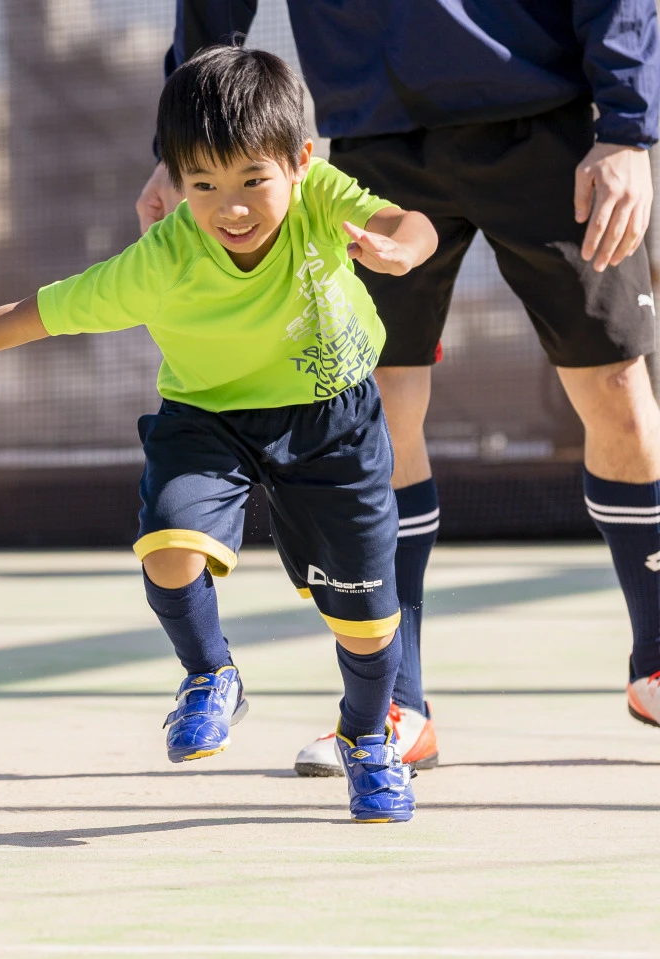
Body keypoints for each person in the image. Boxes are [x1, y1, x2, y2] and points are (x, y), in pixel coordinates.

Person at [0, 47, 437, 822]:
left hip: (333, 422)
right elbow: (30, 315)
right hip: (207, 420)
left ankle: (368, 740)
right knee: (169, 545)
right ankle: (210, 675)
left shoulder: (319, 200)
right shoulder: (164, 259)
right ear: (169, 180)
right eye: (202, 184)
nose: (229, 207)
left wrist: (403, 247)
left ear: (301, 162)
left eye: (251, 181)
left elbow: (409, 222)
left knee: (369, 622)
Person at [138, 0, 660, 776]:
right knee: (375, 400)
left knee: (616, 385)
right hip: (375, 129)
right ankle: (397, 706)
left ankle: (655, 658)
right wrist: (181, 146)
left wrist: (626, 124)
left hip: (546, 116)